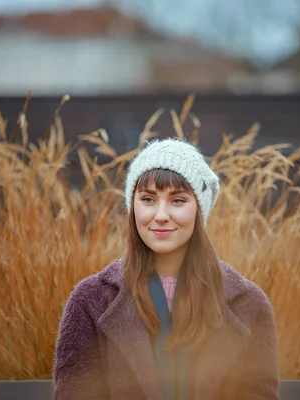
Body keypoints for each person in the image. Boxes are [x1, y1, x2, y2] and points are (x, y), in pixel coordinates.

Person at [53, 138, 280, 400]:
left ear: (198, 209)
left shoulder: (249, 304)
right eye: (148, 198)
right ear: (133, 206)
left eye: (177, 200)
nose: (161, 214)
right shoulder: (89, 301)